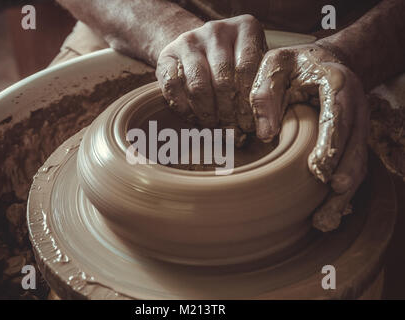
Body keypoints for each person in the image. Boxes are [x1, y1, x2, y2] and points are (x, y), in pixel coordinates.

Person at [55, 0, 405, 231]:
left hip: (355, 25)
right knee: (58, 162)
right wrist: (167, 28)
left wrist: (348, 55)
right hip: (143, 12)